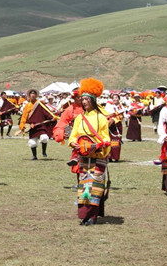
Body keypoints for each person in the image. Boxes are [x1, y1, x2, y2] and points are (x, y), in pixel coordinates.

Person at [68, 78, 111, 226]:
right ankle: (84, 215)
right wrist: (72, 142)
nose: (84, 102)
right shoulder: (79, 118)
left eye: (87, 99)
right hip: (83, 157)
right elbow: (74, 135)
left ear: (93, 101)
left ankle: (93, 216)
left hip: (97, 157)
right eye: (83, 99)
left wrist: (98, 145)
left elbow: (106, 138)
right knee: (83, 186)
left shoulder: (101, 118)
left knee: (96, 186)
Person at [17, 89, 57, 160]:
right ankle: (34, 156)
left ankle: (44, 151)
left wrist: (52, 117)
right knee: (32, 143)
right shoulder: (27, 106)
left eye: (34, 94)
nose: (32, 96)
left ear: (36, 96)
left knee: (44, 138)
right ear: (29, 96)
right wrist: (24, 126)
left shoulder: (40, 104)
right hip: (32, 127)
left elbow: (47, 112)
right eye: (31, 95)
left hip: (41, 126)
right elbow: (24, 118)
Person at [104, 93, 125, 162]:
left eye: (116, 97)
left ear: (119, 99)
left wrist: (114, 119)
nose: (114, 99)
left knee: (116, 141)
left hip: (117, 126)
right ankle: (109, 156)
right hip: (110, 126)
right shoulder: (109, 106)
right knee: (109, 140)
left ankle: (116, 157)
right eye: (113, 98)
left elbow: (121, 115)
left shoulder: (121, 106)